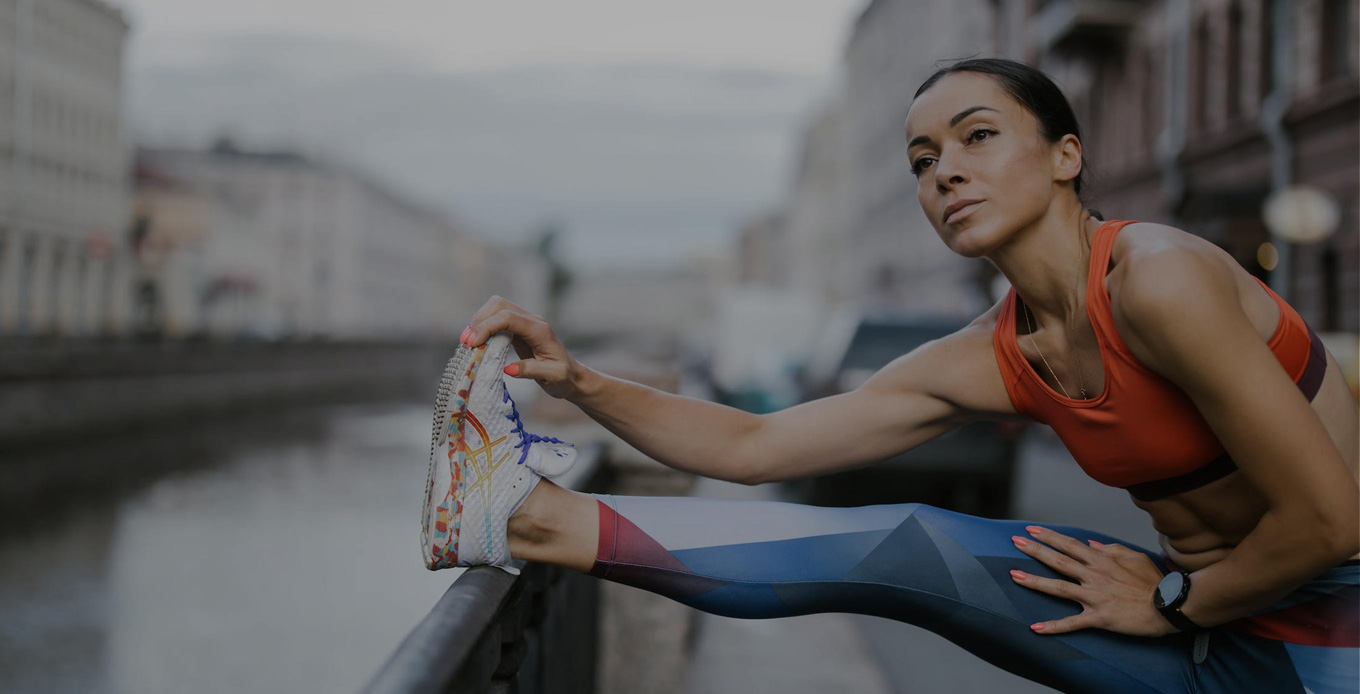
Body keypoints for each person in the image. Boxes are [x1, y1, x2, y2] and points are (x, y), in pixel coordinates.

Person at [424, 57, 1360, 694]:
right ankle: (519, 516)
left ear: (1066, 157)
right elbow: (757, 443)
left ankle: (526, 516)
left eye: (978, 137)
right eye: (923, 160)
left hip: (1325, 648)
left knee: (911, 545)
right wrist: (581, 382)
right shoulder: (995, 351)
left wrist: (1170, 601)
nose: (946, 171)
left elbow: (1330, 518)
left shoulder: (1159, 276)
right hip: (1202, 620)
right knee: (906, 543)